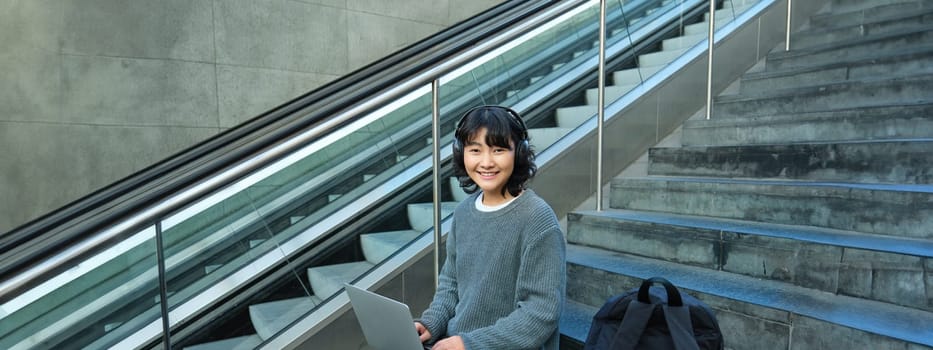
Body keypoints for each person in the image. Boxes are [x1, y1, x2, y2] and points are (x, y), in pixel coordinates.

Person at [415, 105, 566, 350]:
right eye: (475, 150)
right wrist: (431, 323)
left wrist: (469, 344)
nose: (486, 162)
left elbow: (540, 314)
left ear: (519, 153)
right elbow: (451, 284)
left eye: (498, 150)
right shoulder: (464, 213)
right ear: (461, 153)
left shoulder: (538, 219)